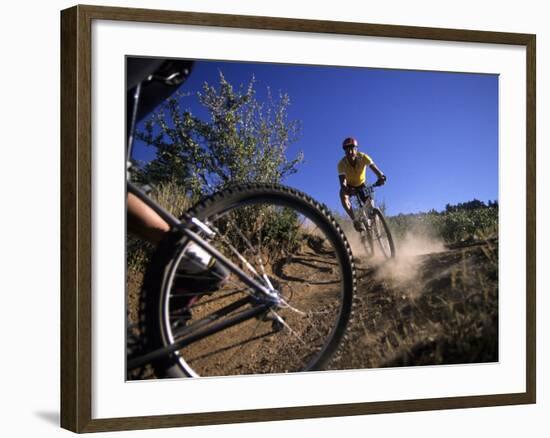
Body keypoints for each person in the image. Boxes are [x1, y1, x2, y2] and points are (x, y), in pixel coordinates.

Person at [337, 137, 386, 231]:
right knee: (342, 194)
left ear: (356, 149)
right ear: (344, 152)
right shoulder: (341, 164)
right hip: (349, 186)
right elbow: (342, 182)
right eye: (347, 150)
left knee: (371, 206)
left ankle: (378, 231)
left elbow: (375, 169)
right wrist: (345, 188)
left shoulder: (363, 157)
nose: (350, 152)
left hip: (362, 185)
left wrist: (381, 176)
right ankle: (355, 220)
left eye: (352, 149)